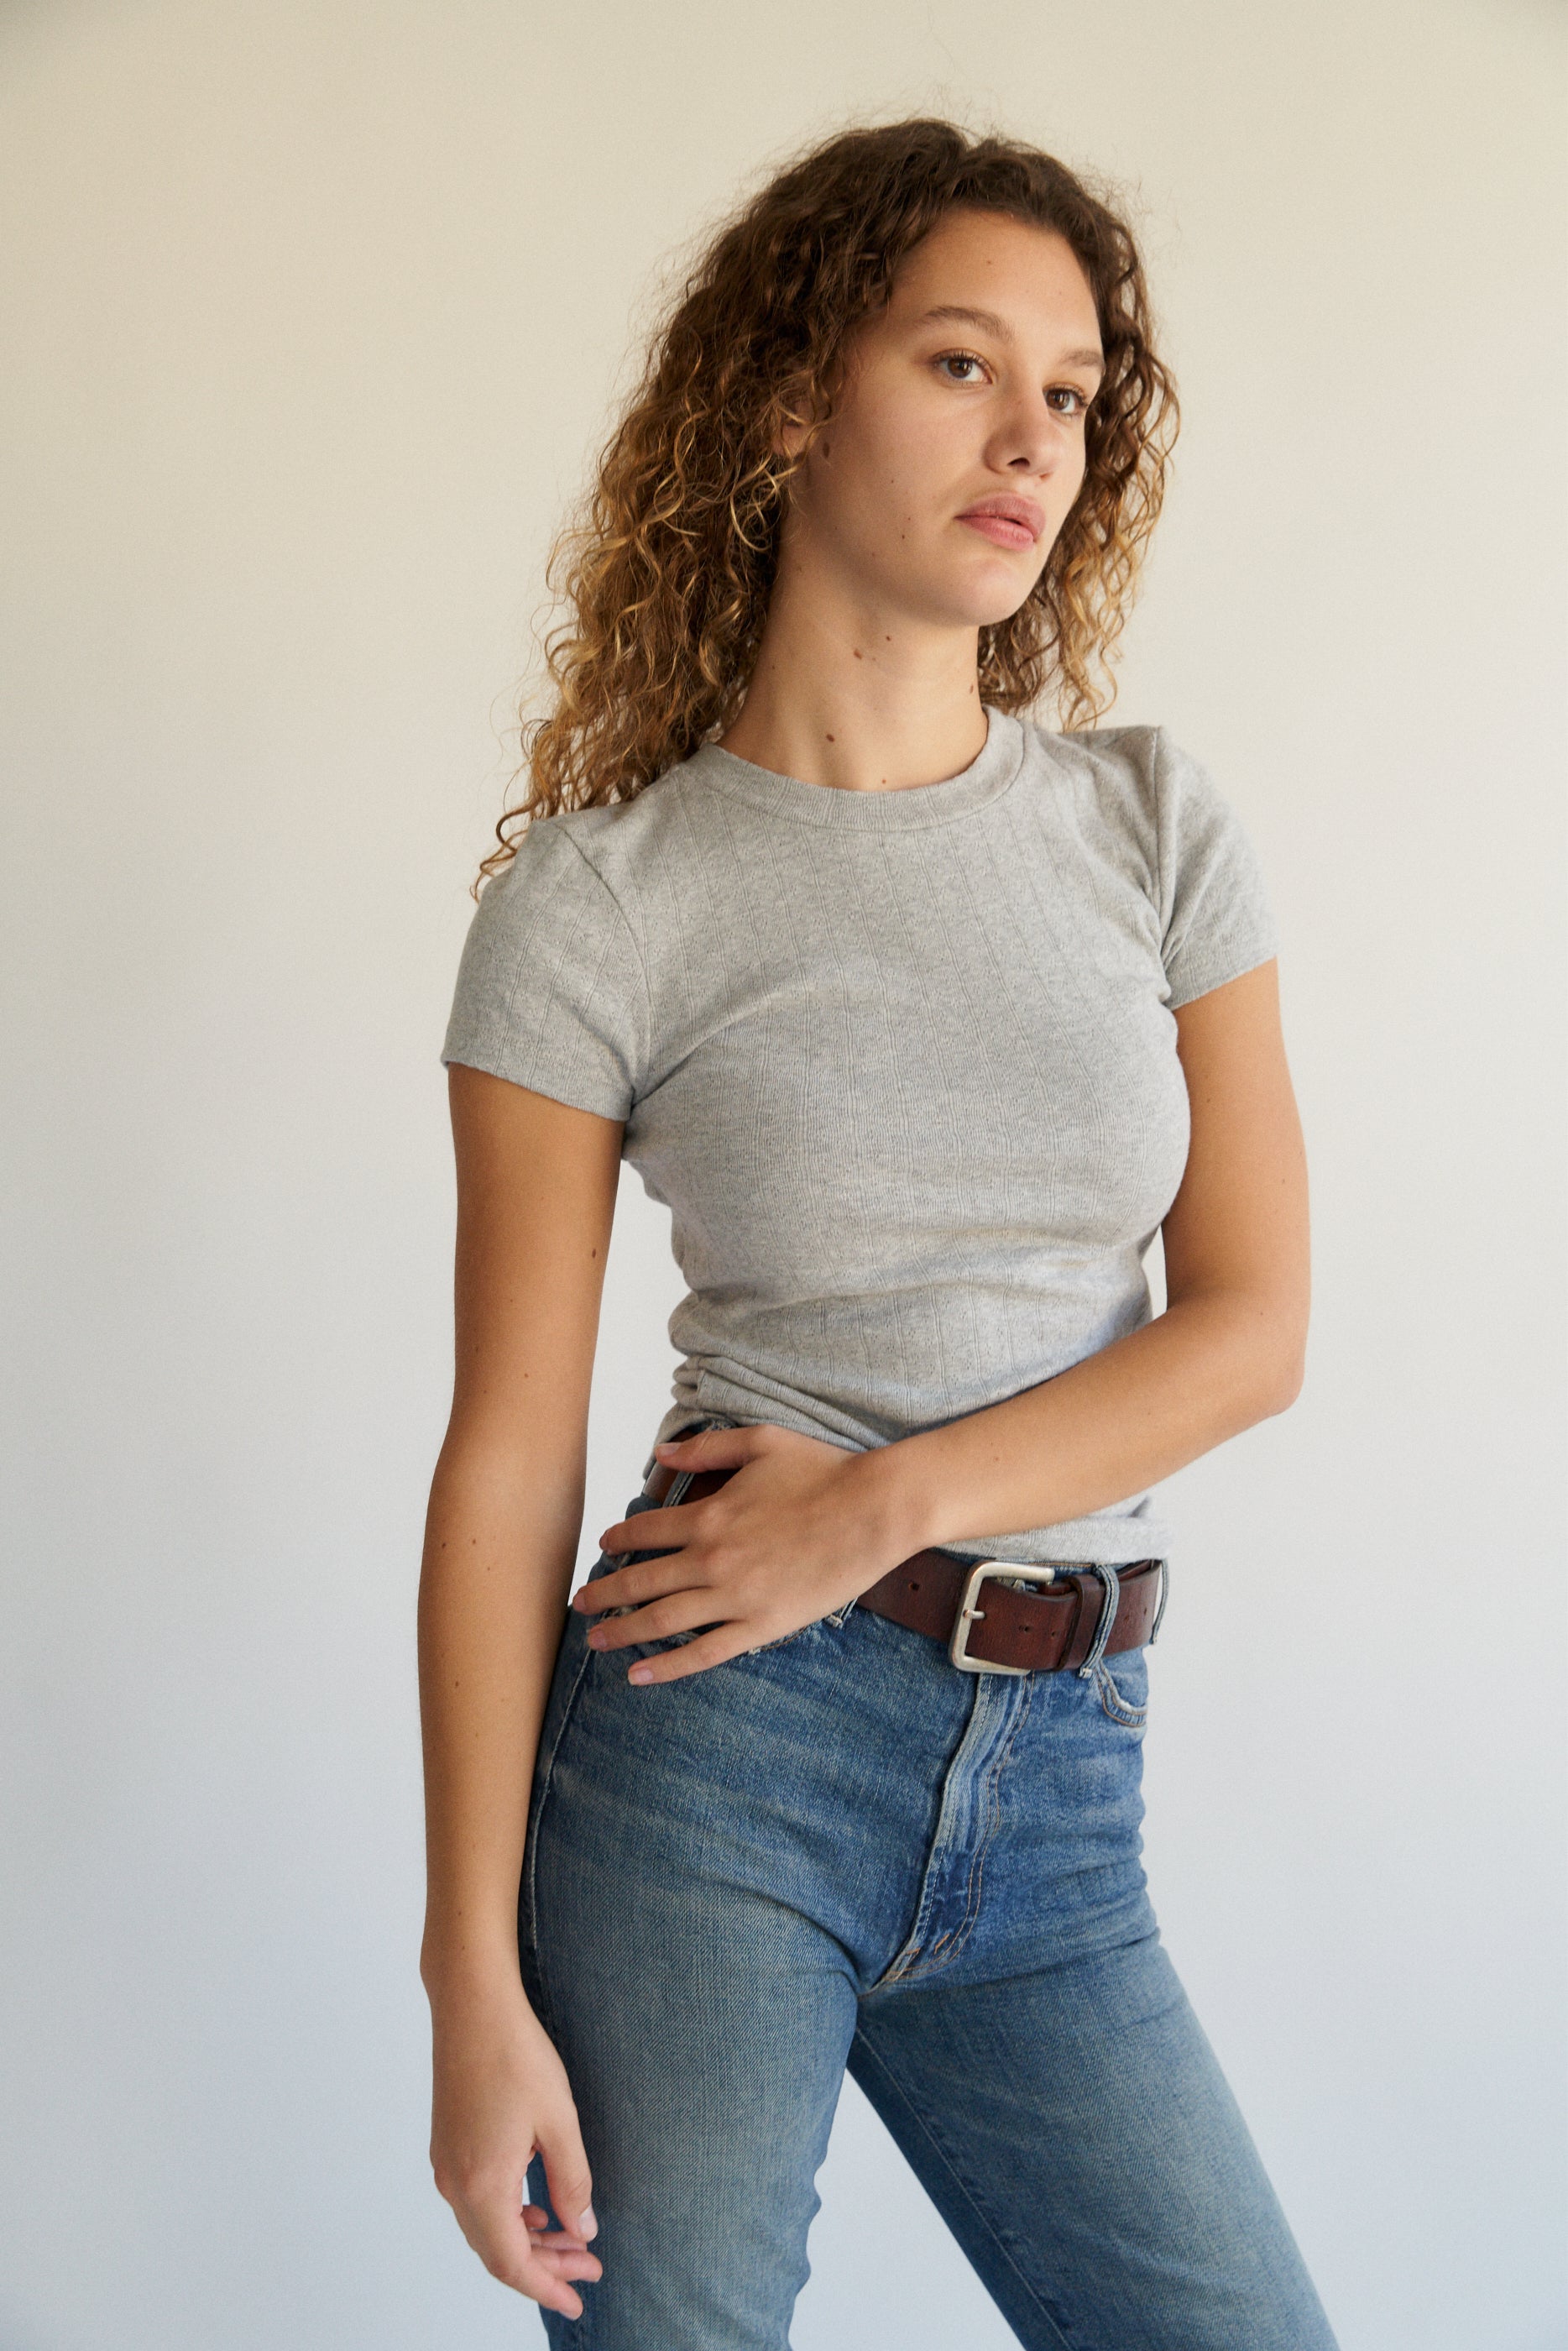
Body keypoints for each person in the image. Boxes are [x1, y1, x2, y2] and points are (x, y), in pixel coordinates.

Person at [419, 117, 1337, 2350]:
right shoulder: (599, 907)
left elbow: (1251, 1329)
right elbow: (506, 1461)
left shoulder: (1146, 822)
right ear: (785, 400)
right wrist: (466, 1983)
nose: (1032, 435)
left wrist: (885, 1507)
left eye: (1074, 393)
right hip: (716, 1757)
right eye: (960, 365)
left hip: (1062, 1781)